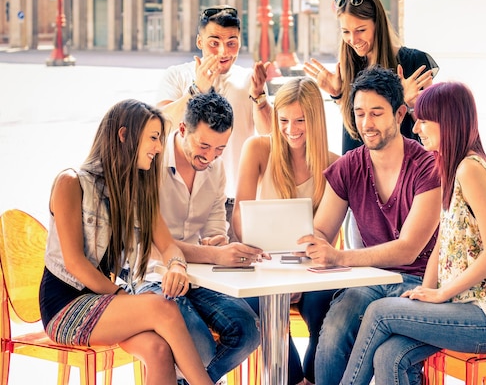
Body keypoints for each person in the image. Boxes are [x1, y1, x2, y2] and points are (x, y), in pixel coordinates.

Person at [340, 82, 486, 385]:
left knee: (379, 312)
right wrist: (424, 295)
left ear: (449, 120)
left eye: (425, 119)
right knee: (389, 355)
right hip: (464, 308)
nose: (416, 127)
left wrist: (440, 295)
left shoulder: (470, 169)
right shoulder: (450, 168)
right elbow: (441, 248)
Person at [38, 99, 213, 385]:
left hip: (105, 303)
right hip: (65, 306)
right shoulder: (70, 183)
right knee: (162, 308)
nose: (159, 148)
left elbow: (168, 245)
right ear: (123, 135)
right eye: (154, 138)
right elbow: (75, 263)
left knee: (159, 350)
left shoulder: (138, 193)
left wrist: (177, 267)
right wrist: (123, 298)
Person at [297, 66, 441, 385]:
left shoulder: (427, 167)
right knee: (337, 319)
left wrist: (339, 257)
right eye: (360, 113)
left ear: (400, 112)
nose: (366, 124)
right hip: (371, 278)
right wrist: (311, 244)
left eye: (376, 113)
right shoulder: (350, 165)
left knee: (357, 321)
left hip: (420, 281)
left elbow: (409, 249)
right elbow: (323, 229)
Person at [138, 91, 261, 383]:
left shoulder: (215, 169)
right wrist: (215, 255)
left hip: (195, 278)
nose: (210, 157)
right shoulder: (151, 163)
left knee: (248, 331)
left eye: (220, 149)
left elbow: (215, 228)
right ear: (182, 129)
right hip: (149, 278)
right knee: (200, 347)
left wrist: (219, 242)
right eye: (203, 145)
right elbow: (151, 246)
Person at [232, 77, 339, 385]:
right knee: (266, 309)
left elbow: (326, 235)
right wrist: (262, 258)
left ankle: (313, 378)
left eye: (301, 120)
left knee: (326, 307)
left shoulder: (333, 165)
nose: (291, 129)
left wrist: (300, 278)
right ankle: (293, 380)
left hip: (308, 270)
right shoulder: (258, 149)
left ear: (315, 120)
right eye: (284, 120)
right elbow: (240, 213)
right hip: (262, 265)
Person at [156, 5, 272, 242]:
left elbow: (268, 134)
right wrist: (196, 89)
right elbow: (161, 125)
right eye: (214, 42)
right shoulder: (177, 75)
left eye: (232, 42)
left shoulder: (247, 79)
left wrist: (259, 97)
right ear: (199, 41)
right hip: (187, 194)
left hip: (237, 199)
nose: (223, 51)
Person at [303, 0, 439, 154]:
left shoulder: (413, 61)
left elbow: (433, 132)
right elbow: (357, 126)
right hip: (358, 168)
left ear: (377, 24)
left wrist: (411, 105)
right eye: (346, 32)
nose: (353, 40)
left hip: (401, 167)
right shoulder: (350, 65)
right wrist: (338, 95)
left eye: (360, 30)